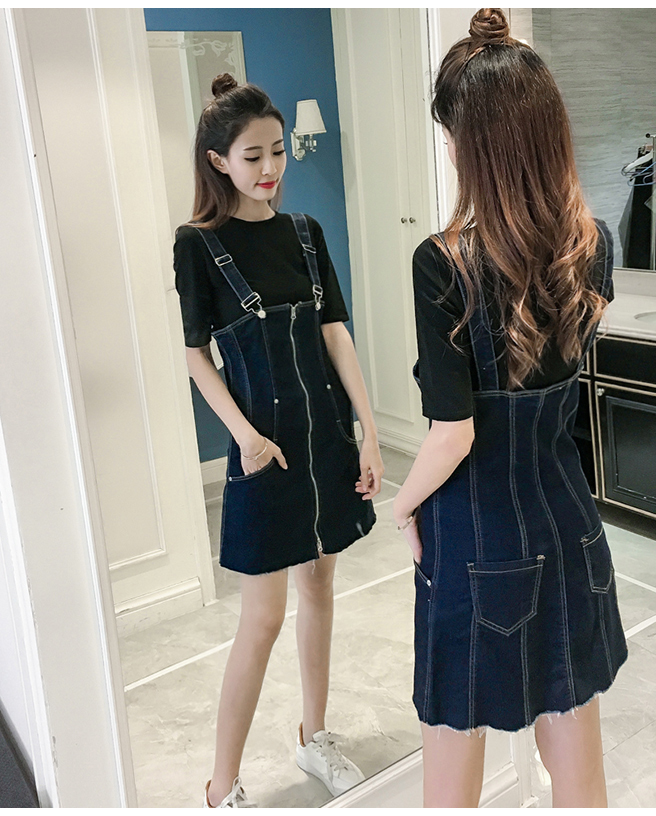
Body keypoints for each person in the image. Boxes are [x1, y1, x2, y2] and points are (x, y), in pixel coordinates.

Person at [393, 9, 627, 808]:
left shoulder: (441, 264)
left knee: (451, 781)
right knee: (581, 779)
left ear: (473, 145)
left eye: (450, 135)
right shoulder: (593, 243)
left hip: (477, 541)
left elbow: (451, 435)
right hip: (572, 530)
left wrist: (402, 503)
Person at [173, 74, 383, 808]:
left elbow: (335, 334)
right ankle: (220, 785)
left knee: (320, 587)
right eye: (253, 155)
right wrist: (245, 438)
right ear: (218, 161)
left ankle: (313, 736)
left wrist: (369, 431)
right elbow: (195, 354)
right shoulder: (198, 245)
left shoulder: (306, 233)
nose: (270, 169)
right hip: (263, 452)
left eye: (278, 151)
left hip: (325, 438)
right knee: (261, 619)